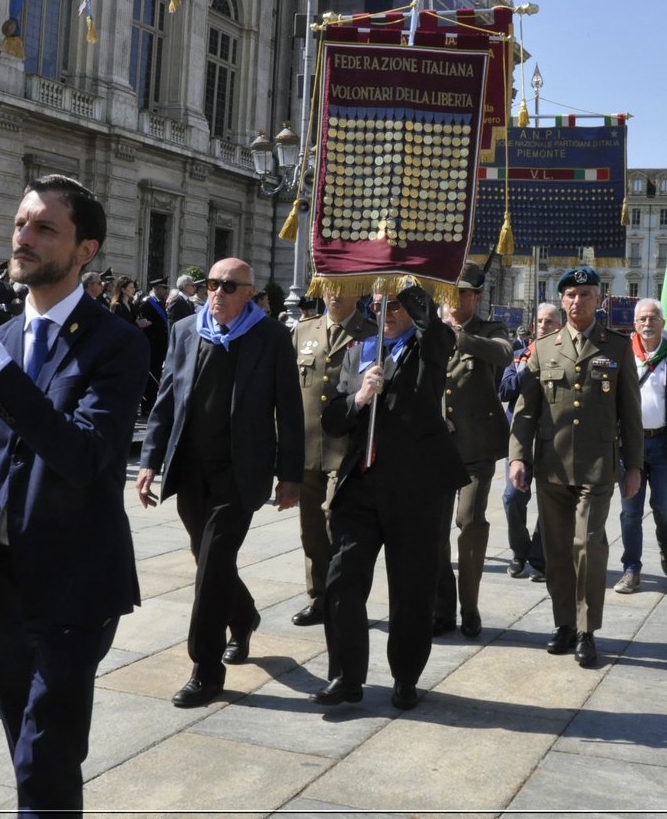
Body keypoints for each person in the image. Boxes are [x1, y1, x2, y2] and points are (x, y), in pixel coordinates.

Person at [0, 175, 148, 819]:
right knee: (33, 757)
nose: (24, 238)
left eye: (45, 228)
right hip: (3, 582)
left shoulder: (115, 342)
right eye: (21, 222)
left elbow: (87, 456)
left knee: (44, 750)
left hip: (75, 582)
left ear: (85, 248)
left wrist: (2, 380)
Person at [136, 259, 304, 709]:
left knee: (213, 565)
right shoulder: (187, 329)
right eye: (212, 284)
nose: (218, 293)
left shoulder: (270, 337)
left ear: (249, 292)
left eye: (229, 286)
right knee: (206, 557)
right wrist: (150, 460)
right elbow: (166, 398)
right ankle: (244, 616)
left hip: (240, 473)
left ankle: (205, 669)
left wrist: (291, 475)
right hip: (191, 470)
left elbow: (289, 409)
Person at [312, 280, 467, 709]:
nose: (388, 313)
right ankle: (345, 676)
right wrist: (360, 398)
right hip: (361, 481)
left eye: (397, 305)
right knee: (342, 579)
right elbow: (332, 419)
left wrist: (424, 310)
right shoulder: (357, 350)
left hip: (415, 489)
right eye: (380, 305)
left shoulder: (427, 344)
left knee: (411, 587)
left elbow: (437, 344)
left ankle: (405, 676)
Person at [508, 266, 643, 669]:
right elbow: (525, 409)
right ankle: (563, 623)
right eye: (570, 294)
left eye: (585, 294)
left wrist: (633, 466)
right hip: (551, 464)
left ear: (598, 300)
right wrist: (518, 455)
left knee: (587, 547)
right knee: (557, 551)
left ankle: (587, 630)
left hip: (598, 465)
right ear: (561, 299)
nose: (576, 301)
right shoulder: (544, 347)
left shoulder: (617, 348)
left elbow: (630, 414)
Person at [433, 261, 513, 638]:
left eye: (461, 292)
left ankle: (470, 606)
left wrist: (458, 336)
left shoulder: (488, 329)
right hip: (434, 446)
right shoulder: (427, 329)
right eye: (449, 291)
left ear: (476, 297)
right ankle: (442, 608)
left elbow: (503, 353)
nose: (453, 299)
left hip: (476, 448)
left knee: (469, 522)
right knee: (434, 532)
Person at [289, 289, 376, 627]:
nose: (335, 295)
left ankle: (346, 598)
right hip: (309, 447)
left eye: (344, 289)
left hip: (347, 448)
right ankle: (319, 598)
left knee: (337, 525)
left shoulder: (370, 333)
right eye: (329, 287)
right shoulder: (303, 331)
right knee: (310, 528)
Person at [614, 298, 667, 593]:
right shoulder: (624, 352)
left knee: (666, 509)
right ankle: (631, 569)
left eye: (653, 318)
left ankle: (666, 543)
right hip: (630, 446)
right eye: (642, 319)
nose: (647, 324)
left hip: (665, 444)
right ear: (634, 324)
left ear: (662, 323)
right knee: (630, 512)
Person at [498, 302, 560, 581]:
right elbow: (505, 390)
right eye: (540, 322)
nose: (544, 326)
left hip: (551, 441)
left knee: (549, 503)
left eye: (550, 322)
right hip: (521, 439)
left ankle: (539, 558)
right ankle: (519, 552)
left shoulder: (564, 357)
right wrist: (530, 366)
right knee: (512, 499)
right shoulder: (518, 356)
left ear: (559, 326)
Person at [138, 277, 172, 414]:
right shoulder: (146, 303)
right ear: (156, 288)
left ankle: (151, 404)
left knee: (156, 375)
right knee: (150, 377)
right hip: (151, 346)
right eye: (163, 288)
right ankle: (146, 406)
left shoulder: (161, 303)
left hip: (160, 346)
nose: (165, 291)